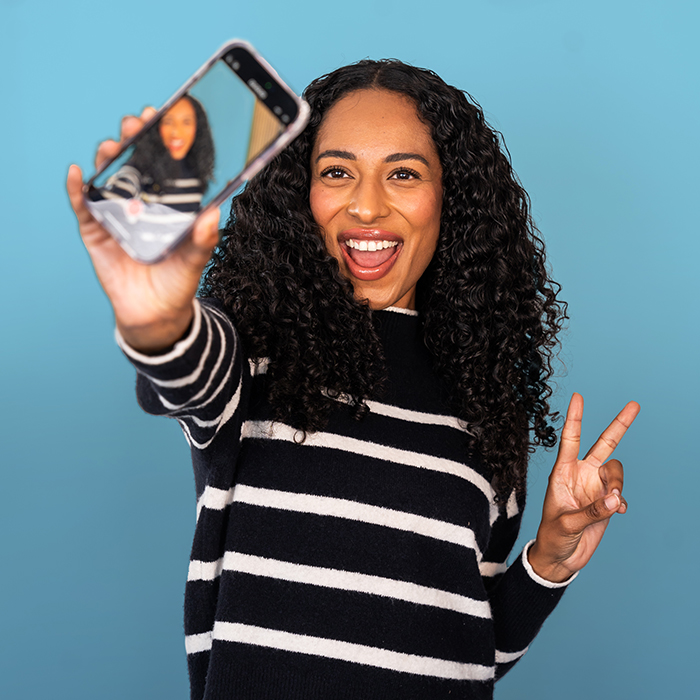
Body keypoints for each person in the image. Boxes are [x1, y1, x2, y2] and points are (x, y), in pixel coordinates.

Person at [67, 59, 639, 700]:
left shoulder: (486, 410)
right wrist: (158, 319)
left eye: (403, 173)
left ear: (451, 198)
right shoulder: (252, 351)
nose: (367, 205)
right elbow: (183, 373)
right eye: (337, 172)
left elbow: (468, 647)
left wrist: (547, 563)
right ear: (300, 194)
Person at [95, 94, 215, 214]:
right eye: (168, 121)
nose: (176, 132)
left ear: (198, 127)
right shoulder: (140, 167)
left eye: (186, 122)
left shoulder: (196, 175)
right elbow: (125, 183)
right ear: (158, 127)